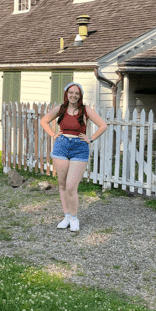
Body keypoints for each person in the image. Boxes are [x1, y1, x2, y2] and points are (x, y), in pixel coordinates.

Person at [40, 83, 107, 232]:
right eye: (71, 92)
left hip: (79, 148)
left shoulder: (86, 110)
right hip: (61, 147)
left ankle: (74, 217)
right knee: (62, 185)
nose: (73, 95)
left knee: (71, 186)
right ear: (67, 94)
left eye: (77, 93)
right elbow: (43, 121)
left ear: (80, 95)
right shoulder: (61, 109)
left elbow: (103, 125)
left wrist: (91, 138)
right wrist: (53, 134)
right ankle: (67, 217)